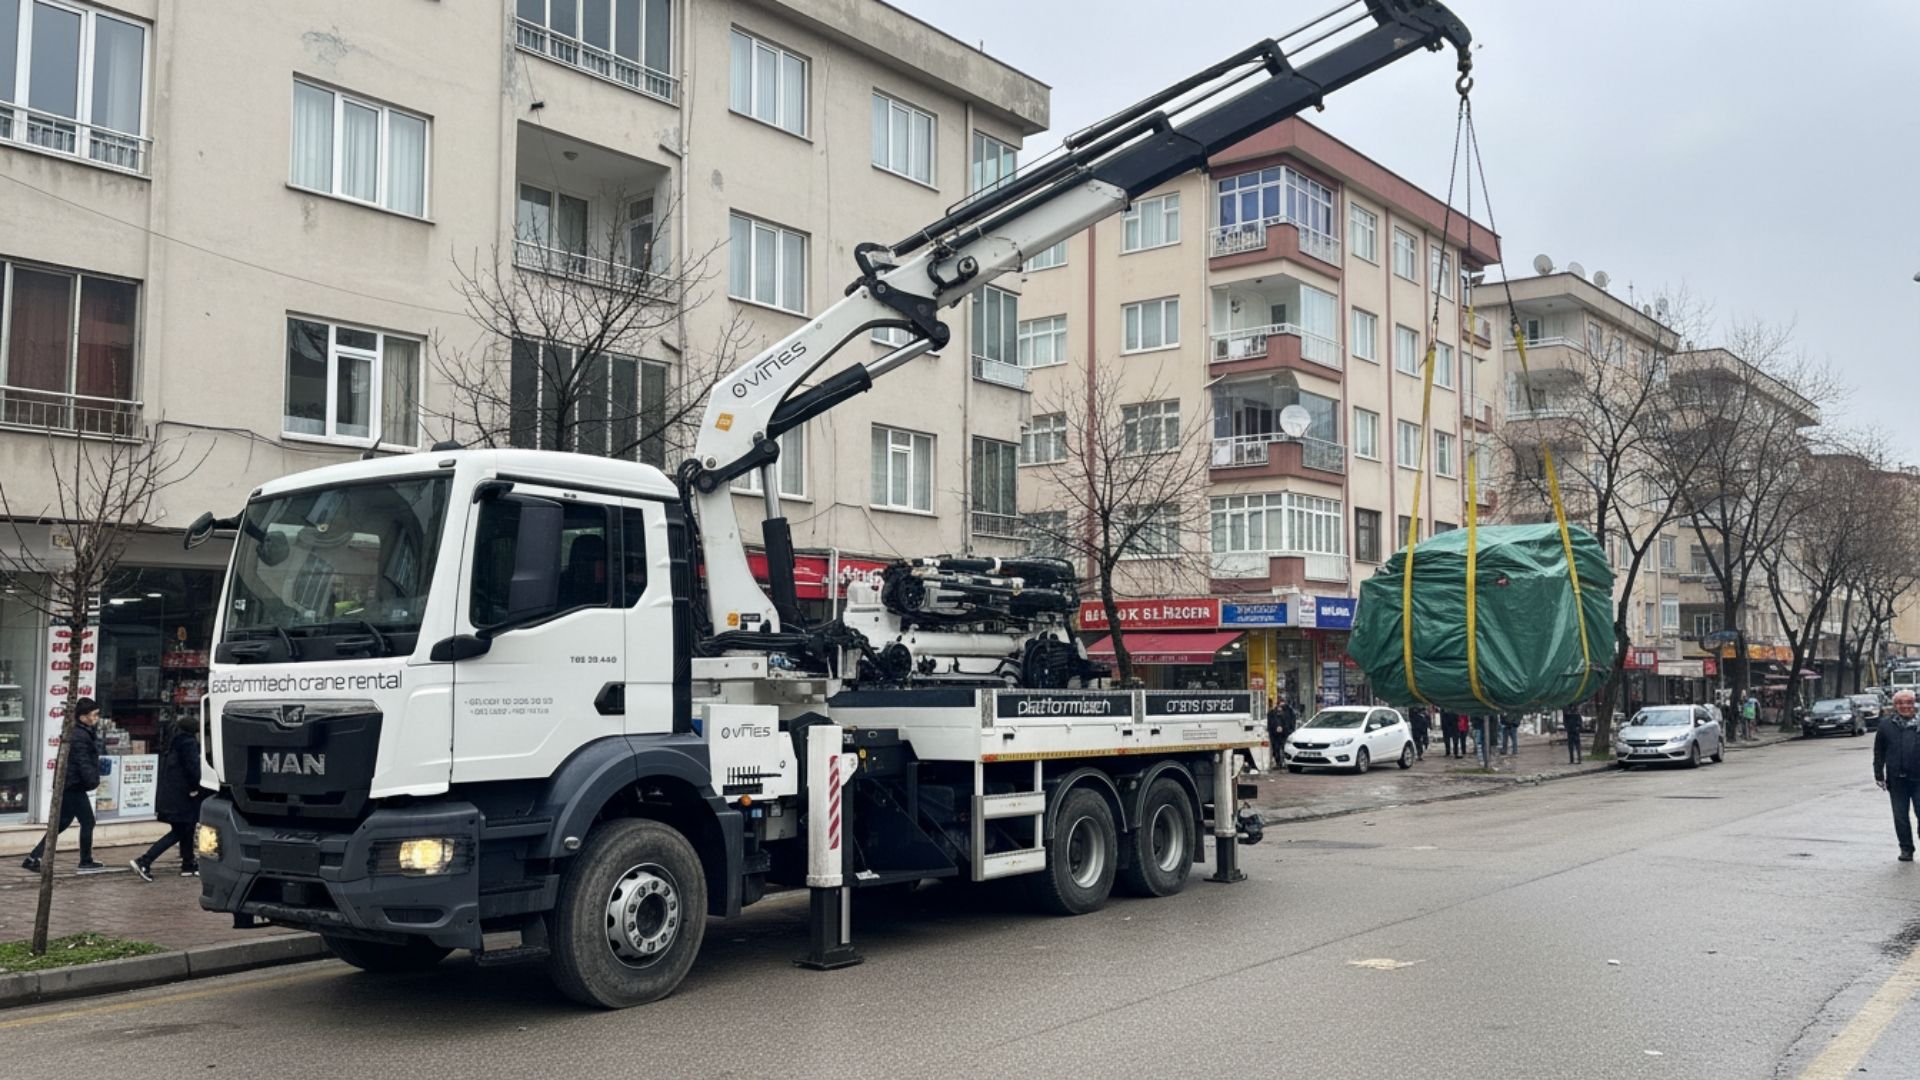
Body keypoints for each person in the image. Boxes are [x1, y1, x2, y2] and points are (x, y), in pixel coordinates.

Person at [21, 697, 106, 874]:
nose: (96, 718)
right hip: (73, 785)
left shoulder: (80, 732)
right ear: (83, 717)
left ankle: (33, 857)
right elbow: (82, 762)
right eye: (94, 715)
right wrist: (92, 781)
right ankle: (85, 860)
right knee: (87, 821)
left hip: (70, 784)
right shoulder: (79, 735)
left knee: (61, 823)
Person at [131, 714, 206, 880]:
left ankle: (188, 863)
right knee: (180, 830)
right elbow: (192, 768)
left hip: (172, 795)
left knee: (187, 828)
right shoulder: (189, 744)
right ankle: (145, 860)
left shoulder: (173, 743)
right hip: (183, 796)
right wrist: (196, 787)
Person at [1873, 690, 1920, 862]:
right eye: (1901, 703)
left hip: (1919, 778)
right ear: (1895, 706)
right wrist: (1878, 773)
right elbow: (1879, 751)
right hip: (1897, 779)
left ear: (1914, 703)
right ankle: (1906, 848)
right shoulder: (1886, 725)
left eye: (1909, 702)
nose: (1905, 706)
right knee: (1900, 816)